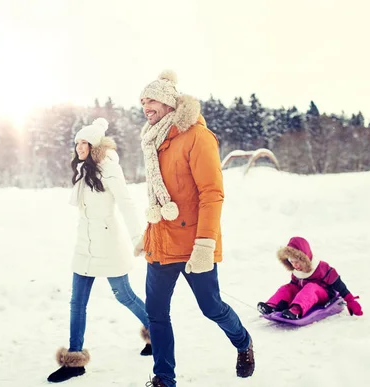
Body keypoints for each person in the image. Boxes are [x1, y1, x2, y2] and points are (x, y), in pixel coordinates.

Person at [135, 71, 254, 387]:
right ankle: (164, 378)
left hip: (193, 243)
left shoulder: (198, 137)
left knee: (211, 307)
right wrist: (148, 233)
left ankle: (243, 342)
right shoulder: (154, 141)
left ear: (170, 102)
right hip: (161, 242)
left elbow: (212, 193)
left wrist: (204, 244)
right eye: (143, 101)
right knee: (156, 313)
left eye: (152, 99)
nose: (146, 106)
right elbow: (161, 195)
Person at [47, 118, 151, 384]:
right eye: (77, 142)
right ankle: (74, 361)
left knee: (124, 295)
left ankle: (157, 332)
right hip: (85, 244)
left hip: (108, 245)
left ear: (94, 146)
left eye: (84, 142)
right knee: (77, 302)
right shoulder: (84, 170)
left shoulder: (109, 169)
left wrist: (138, 238)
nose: (79, 147)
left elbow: (126, 203)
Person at [257, 236, 364, 319]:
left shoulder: (321, 267)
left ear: (305, 259)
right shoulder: (296, 270)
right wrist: (286, 299)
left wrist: (350, 300)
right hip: (305, 295)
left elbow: (338, 284)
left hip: (323, 295)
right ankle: (272, 305)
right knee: (287, 287)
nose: (294, 265)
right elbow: (293, 287)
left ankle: (296, 310)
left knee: (311, 287)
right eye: (292, 262)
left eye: (297, 262)